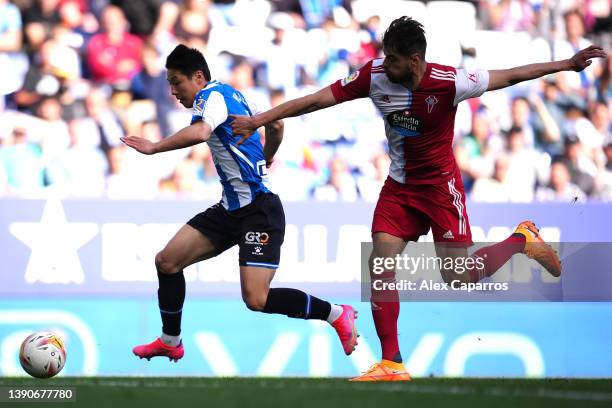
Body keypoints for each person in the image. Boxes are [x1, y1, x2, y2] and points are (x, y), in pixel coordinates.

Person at [231, 16, 606, 381]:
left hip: (441, 188)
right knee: (379, 264)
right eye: (384, 55)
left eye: (392, 58)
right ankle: (392, 363)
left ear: (414, 60)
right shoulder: (374, 75)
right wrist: (259, 119)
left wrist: (566, 64)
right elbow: (316, 100)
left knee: (458, 276)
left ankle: (521, 240)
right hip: (399, 187)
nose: (383, 63)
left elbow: (510, 75)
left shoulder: (449, 82)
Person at [122, 44, 358, 362]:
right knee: (167, 261)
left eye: (177, 81)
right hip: (231, 208)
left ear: (198, 76)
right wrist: (268, 155)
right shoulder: (233, 95)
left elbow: (202, 132)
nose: (173, 91)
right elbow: (276, 125)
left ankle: (335, 313)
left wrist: (154, 147)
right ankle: (170, 340)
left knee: (256, 298)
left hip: (259, 209)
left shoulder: (211, 97)